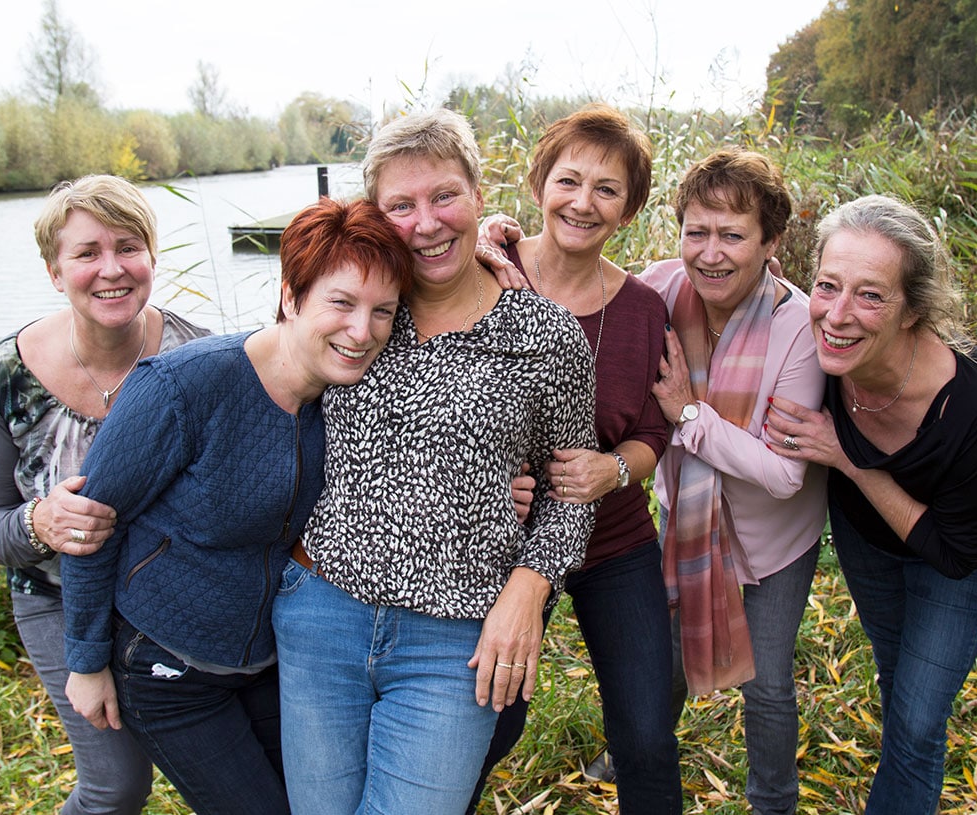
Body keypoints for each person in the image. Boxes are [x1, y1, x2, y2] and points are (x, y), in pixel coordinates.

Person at [272, 108, 598, 815]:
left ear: (480, 197)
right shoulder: (352, 311)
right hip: (321, 612)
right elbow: (265, 395)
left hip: (453, 638)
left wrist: (528, 588)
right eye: (401, 205)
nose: (426, 222)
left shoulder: (545, 335)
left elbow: (572, 489)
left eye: (444, 196)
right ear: (375, 213)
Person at [59, 197, 414, 815]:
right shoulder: (183, 387)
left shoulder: (349, 399)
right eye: (341, 303)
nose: (363, 331)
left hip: (270, 662)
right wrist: (86, 663)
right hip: (168, 667)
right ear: (290, 296)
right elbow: (92, 525)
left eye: (381, 312)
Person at [765, 194, 977, 815]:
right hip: (869, 538)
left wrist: (848, 459)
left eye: (871, 295)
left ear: (914, 308)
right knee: (900, 682)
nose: (837, 314)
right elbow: (721, 280)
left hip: (963, 548)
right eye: (828, 286)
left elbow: (955, 552)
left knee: (916, 722)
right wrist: (500, 245)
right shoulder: (816, 346)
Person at [0, 174, 214, 815]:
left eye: (129, 247)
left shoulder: (204, 357)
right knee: (116, 784)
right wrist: (38, 522)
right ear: (54, 270)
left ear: (153, 258)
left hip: (174, 599)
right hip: (56, 599)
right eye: (86, 253)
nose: (112, 270)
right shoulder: (2, 376)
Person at [471, 104, 681, 814]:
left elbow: (654, 428)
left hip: (613, 540)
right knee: (488, 722)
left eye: (607, 189)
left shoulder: (644, 309)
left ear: (629, 208)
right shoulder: (481, 273)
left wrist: (612, 468)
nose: (583, 202)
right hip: (502, 545)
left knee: (648, 732)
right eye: (569, 180)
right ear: (538, 184)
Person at [641, 148, 827, 815]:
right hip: (685, 520)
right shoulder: (659, 289)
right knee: (659, 654)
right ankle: (639, 750)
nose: (710, 253)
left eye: (732, 234)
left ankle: (773, 801)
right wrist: (501, 241)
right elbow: (573, 289)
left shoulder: (797, 327)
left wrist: (688, 415)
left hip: (776, 541)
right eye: (697, 231)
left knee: (769, 683)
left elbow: (782, 474)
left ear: (771, 241)